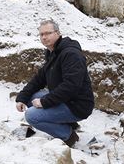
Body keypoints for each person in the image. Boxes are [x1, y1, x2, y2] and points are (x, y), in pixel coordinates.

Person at [15, 19, 94, 147]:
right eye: (41, 34)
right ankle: (68, 123)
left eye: (48, 33)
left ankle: (68, 135)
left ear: (57, 33)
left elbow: (71, 86)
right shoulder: (52, 52)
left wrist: (44, 102)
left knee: (31, 116)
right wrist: (22, 97)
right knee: (31, 97)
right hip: (65, 99)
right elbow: (39, 79)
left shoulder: (70, 54)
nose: (44, 37)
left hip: (77, 105)